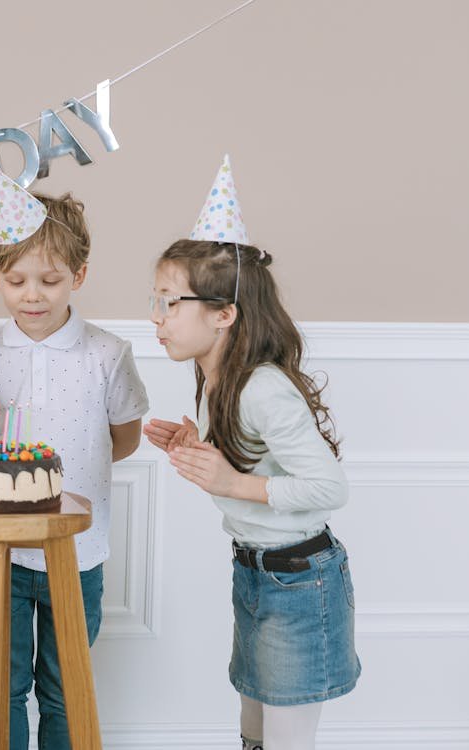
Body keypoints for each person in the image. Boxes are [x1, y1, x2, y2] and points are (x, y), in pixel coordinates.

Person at [144, 157, 360, 750]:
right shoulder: (217, 377)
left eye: (170, 303)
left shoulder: (262, 386)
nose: (155, 318)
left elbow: (328, 488)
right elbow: (255, 466)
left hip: (299, 581)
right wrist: (200, 447)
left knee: (286, 741)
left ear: (223, 314)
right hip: (256, 573)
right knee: (255, 736)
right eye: (155, 301)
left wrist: (231, 481)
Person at [0, 163, 149, 749]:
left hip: (78, 552)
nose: (32, 295)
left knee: (65, 686)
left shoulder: (107, 354)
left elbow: (124, 437)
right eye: (16, 281)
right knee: (3, 683)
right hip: (1, 554)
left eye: (50, 280)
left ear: (79, 276)